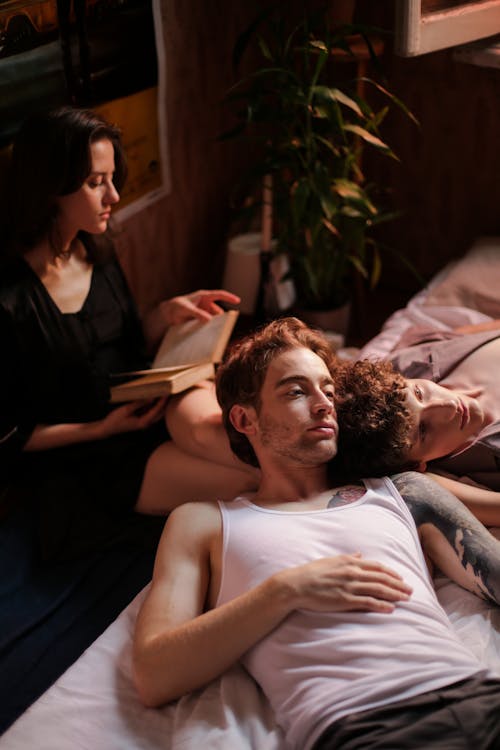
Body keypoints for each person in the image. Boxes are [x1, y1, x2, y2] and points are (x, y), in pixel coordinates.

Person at [133, 317, 500, 750]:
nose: (325, 404)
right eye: (295, 391)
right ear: (244, 419)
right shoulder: (204, 522)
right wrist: (286, 591)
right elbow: (154, 674)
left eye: (327, 389)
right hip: (369, 729)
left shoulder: (402, 491)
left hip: (480, 697)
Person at [0, 106, 256, 557]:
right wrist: (102, 428)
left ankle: (348, 458)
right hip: (88, 451)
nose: (114, 195)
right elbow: (10, 433)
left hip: (143, 401)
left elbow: (120, 343)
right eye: (96, 182)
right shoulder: (11, 298)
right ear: (51, 187)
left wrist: (166, 314)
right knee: (249, 481)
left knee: (236, 440)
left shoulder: (95, 250)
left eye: (111, 178)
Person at [331, 324, 500, 520]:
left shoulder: (408, 364)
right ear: (416, 465)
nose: (448, 405)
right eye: (423, 430)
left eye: (419, 393)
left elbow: (469, 332)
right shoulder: (482, 463)